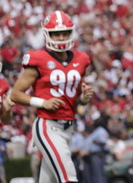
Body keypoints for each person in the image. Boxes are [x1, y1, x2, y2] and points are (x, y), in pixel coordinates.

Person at [10, 11, 94, 183]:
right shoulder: (38, 59)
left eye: (64, 33)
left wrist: (85, 98)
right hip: (48, 126)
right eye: (56, 34)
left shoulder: (81, 59)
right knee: (68, 178)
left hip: (68, 127)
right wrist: (43, 102)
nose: (61, 38)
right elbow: (15, 94)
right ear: (48, 35)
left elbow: (76, 98)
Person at [85, 115, 110, 183]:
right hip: (94, 155)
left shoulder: (101, 131)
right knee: (95, 174)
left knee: (98, 174)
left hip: (98, 155)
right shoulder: (96, 131)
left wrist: (94, 141)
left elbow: (103, 142)